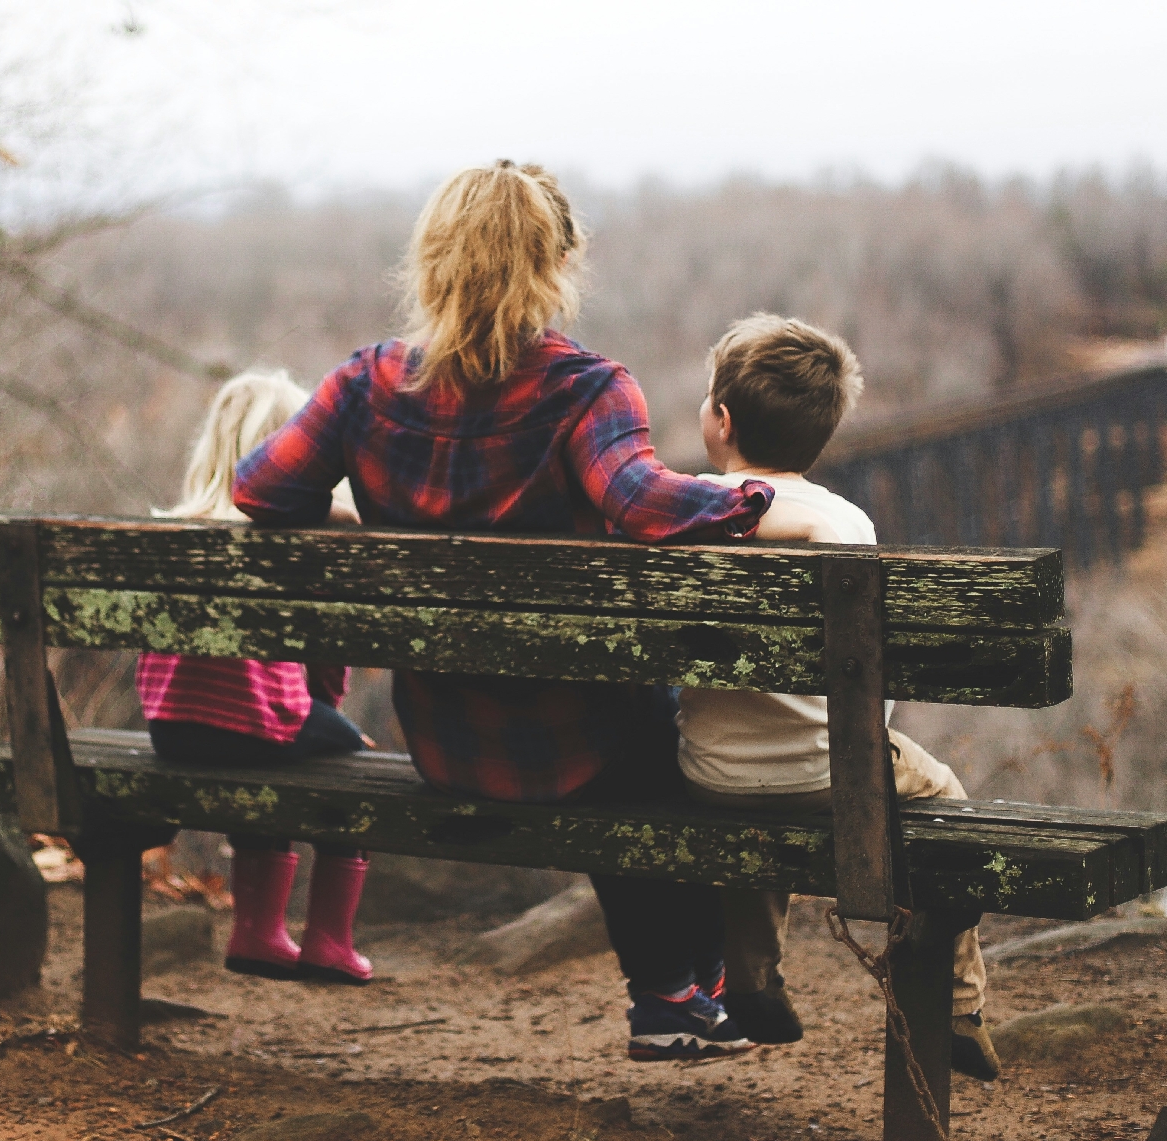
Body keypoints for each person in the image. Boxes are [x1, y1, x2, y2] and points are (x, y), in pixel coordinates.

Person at [233, 161, 794, 1061]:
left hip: (446, 742)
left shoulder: (364, 385)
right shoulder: (586, 389)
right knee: (662, 729)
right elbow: (643, 502)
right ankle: (682, 991)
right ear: (557, 263)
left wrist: (348, 514)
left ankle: (686, 994)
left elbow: (259, 490)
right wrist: (759, 498)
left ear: (431, 260)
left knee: (635, 727)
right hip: (583, 748)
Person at [673, 313, 1001, 1080]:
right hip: (833, 775)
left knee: (755, 780)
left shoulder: (681, 511)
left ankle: (751, 979)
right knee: (943, 794)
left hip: (710, 774)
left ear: (721, 421)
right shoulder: (845, 523)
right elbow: (868, 688)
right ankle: (959, 1005)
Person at [139, 369, 376, 985]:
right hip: (255, 723)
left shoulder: (172, 533)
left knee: (272, 744)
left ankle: (258, 932)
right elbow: (324, 658)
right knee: (352, 761)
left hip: (171, 729)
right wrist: (331, 719)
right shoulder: (291, 540)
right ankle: (328, 941)